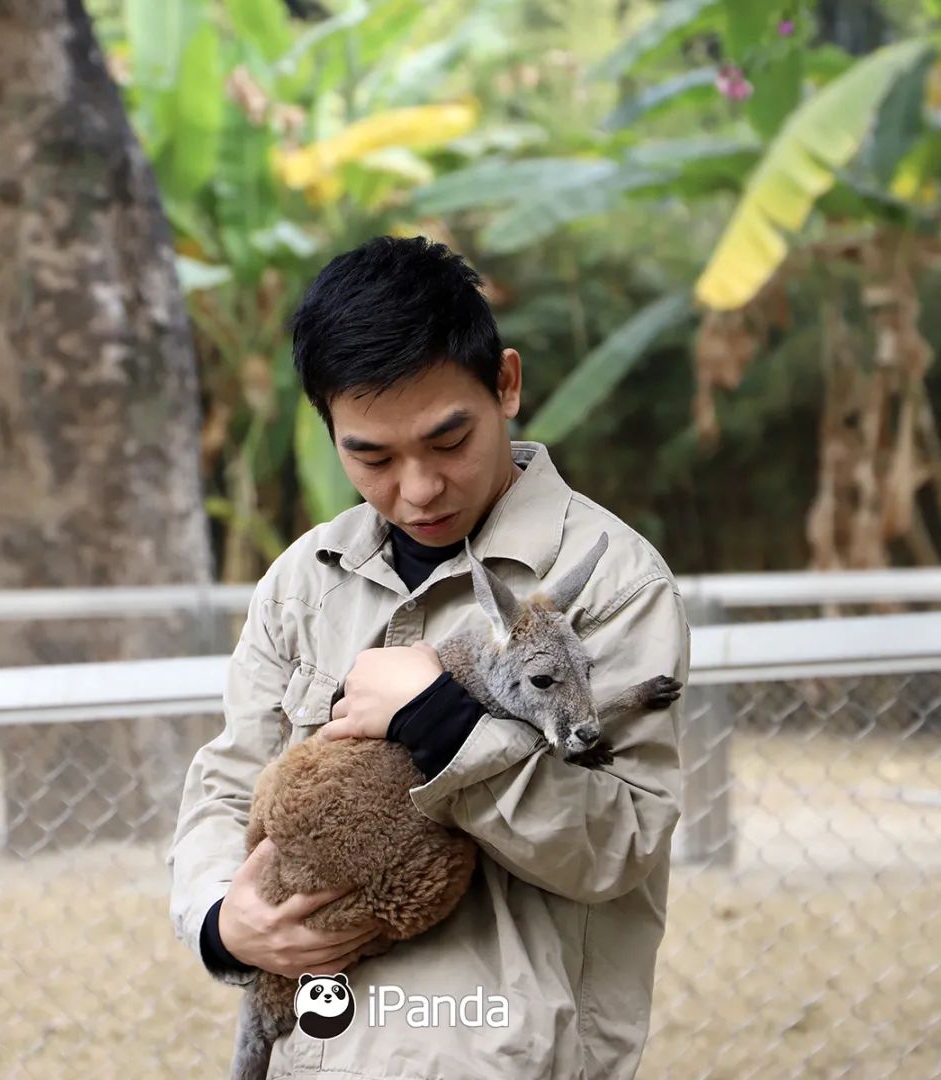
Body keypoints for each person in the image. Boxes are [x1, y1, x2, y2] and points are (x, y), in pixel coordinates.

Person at [168, 235, 690, 1080]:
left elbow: (620, 844)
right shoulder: (304, 583)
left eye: (449, 442)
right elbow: (229, 784)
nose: (417, 488)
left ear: (506, 386)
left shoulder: (613, 582)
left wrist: (440, 720)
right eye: (371, 456)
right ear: (330, 431)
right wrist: (217, 923)